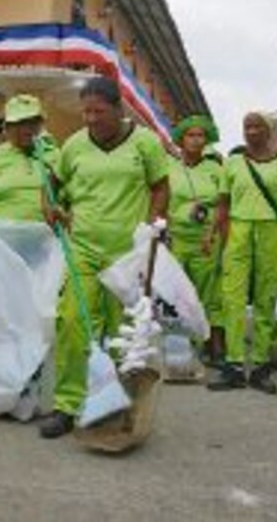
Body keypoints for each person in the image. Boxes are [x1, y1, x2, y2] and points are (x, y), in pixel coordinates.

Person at [39, 77, 169, 439]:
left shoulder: (145, 143)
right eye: (86, 111)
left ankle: (113, 403)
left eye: (99, 111)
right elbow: (52, 186)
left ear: (119, 109)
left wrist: (152, 229)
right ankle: (67, 405)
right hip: (82, 247)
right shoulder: (75, 146)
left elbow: (160, 188)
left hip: (127, 252)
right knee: (70, 322)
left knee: (119, 332)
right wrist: (51, 208)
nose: (91, 119)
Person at [211, 112, 277, 392]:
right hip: (238, 231)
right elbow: (223, 205)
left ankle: (262, 364)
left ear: (270, 130)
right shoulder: (233, 163)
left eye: (257, 127)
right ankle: (235, 363)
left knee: (267, 294)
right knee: (233, 296)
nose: (251, 132)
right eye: (246, 127)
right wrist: (217, 237)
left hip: (272, 231)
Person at [168, 115, 225, 365]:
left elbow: (223, 204)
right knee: (177, 293)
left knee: (206, 293)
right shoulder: (168, 166)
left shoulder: (216, 169)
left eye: (200, 135)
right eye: (190, 135)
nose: (195, 140)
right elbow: (158, 199)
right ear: (181, 139)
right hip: (176, 239)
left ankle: (203, 344)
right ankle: (179, 345)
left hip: (206, 240)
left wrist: (212, 233)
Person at [0, 95, 58, 225]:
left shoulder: (56, 156)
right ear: (6, 128)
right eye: (19, 123)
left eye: (32, 122)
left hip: (47, 239)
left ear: (41, 125)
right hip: (1, 240)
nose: (27, 129)